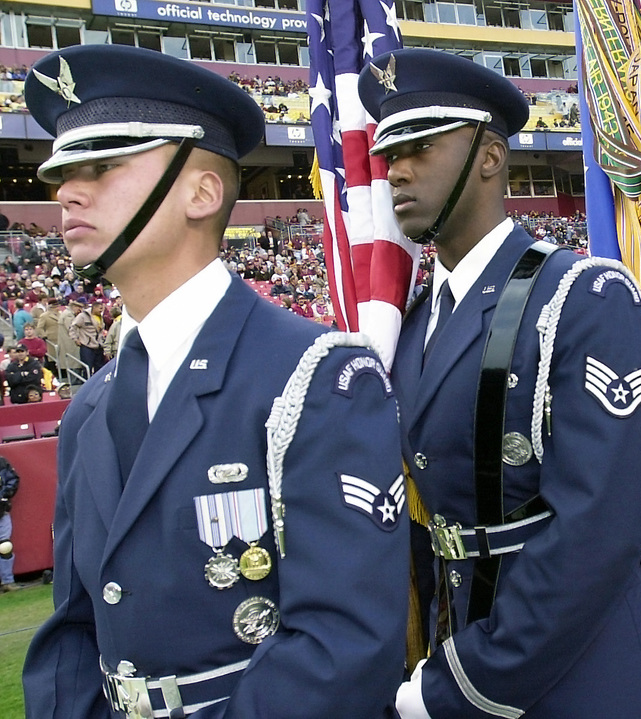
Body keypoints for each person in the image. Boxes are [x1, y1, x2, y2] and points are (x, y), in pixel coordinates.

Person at [22, 44, 408, 719]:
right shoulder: (91, 406)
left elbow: (343, 646)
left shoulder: (319, 375)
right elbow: (76, 625)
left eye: (101, 166)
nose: (66, 192)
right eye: (63, 171)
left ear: (201, 193)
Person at [358, 48, 641, 717]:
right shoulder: (416, 323)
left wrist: (470, 678)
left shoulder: (580, 295)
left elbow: (596, 531)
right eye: (388, 152)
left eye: (420, 146)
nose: (395, 169)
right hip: (471, 647)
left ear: (488, 156)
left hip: (588, 675)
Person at [0, 455, 20, 592]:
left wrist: (4, 495)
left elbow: (13, 479)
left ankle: (7, 581)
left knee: (5, 545)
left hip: (1, 510)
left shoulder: (1, 462)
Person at [68, 299, 105, 375]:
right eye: (100, 308)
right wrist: (75, 339)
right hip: (87, 345)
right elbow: (73, 327)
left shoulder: (100, 317)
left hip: (98, 345)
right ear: (94, 308)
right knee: (87, 367)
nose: (101, 311)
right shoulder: (83, 316)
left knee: (99, 368)